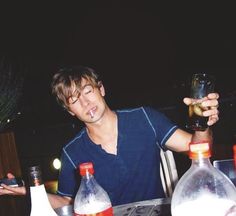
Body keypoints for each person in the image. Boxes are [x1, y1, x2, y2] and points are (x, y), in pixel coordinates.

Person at [0, 65, 219, 209]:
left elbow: (199, 148)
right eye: (74, 100)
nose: (85, 103)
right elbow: (67, 201)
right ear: (69, 111)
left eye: (87, 91)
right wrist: (31, 192)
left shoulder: (144, 118)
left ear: (101, 89)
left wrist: (203, 122)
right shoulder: (72, 152)